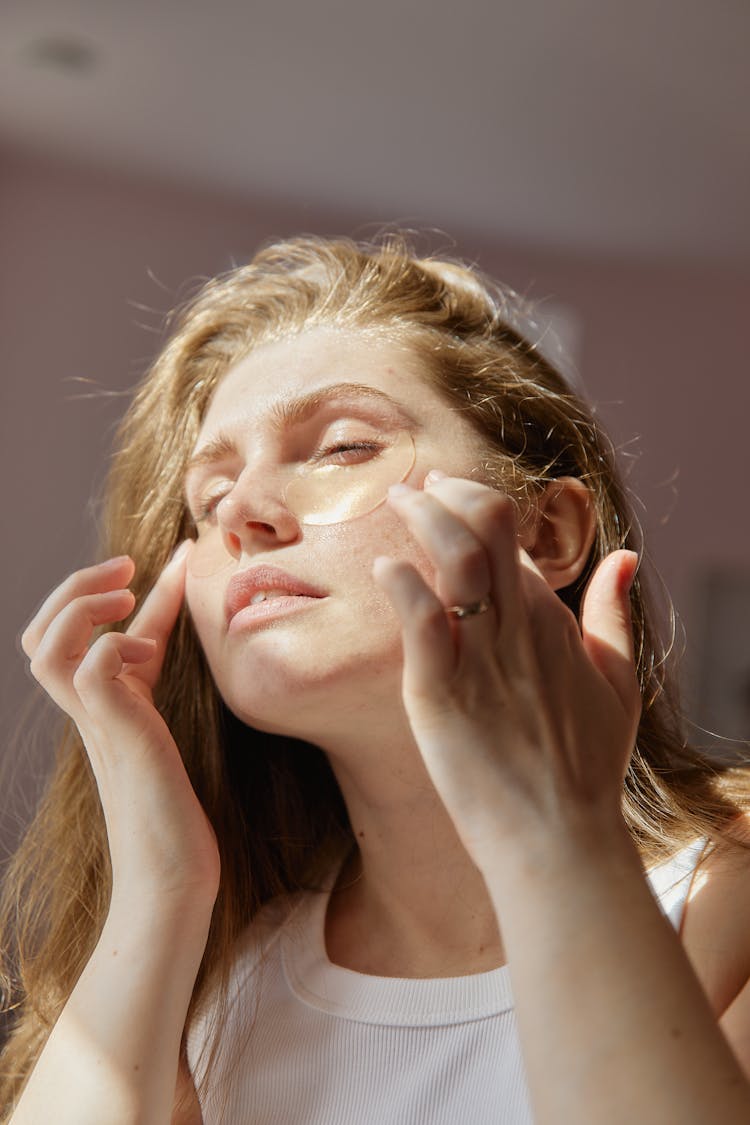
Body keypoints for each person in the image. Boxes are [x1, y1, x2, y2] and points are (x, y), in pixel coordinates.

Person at [1, 235, 749, 1124]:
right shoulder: (210, 985)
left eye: (345, 447)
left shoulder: (726, 889)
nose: (240, 512)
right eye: (208, 499)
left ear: (545, 532)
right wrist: (159, 892)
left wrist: (557, 835)